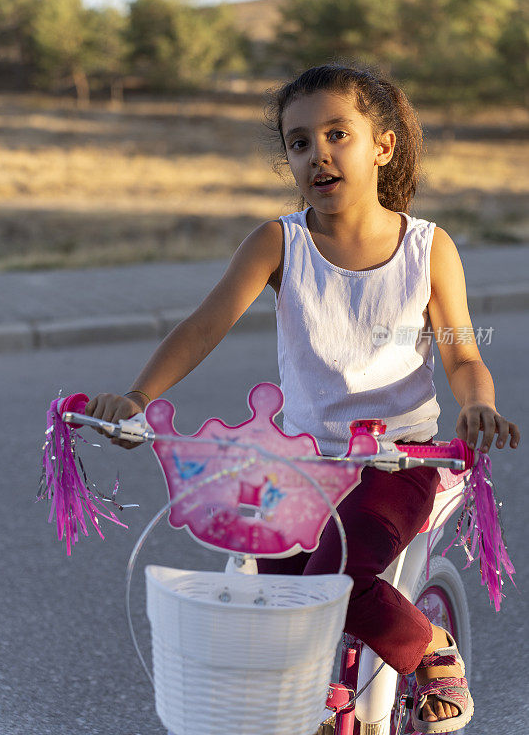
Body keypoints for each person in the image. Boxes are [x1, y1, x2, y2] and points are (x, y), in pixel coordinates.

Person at [85, 65, 519, 732]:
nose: (315, 153)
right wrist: (138, 397)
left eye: (335, 133)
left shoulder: (427, 248)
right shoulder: (276, 243)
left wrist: (475, 404)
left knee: (331, 588)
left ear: (382, 145)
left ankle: (428, 646)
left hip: (395, 462)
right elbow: (203, 325)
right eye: (297, 142)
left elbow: (461, 351)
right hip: (299, 464)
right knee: (269, 602)